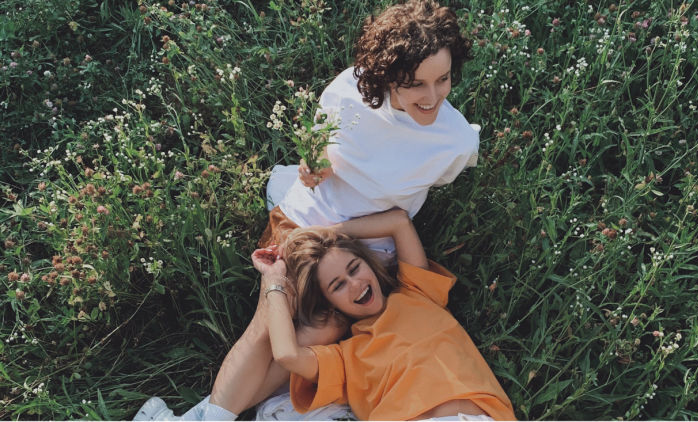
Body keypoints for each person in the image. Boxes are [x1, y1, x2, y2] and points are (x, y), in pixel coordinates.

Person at [134, 0, 478, 419]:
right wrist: (311, 165)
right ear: (387, 75)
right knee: (270, 320)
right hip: (307, 221)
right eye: (415, 84)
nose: (432, 97)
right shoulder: (350, 90)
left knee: (319, 334)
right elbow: (317, 140)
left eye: (442, 80)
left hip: (367, 245)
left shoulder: (456, 143)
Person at [254, 208, 515, 420]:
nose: (355, 284)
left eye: (354, 268)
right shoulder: (345, 359)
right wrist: (274, 280)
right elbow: (288, 355)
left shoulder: (418, 292)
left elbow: (398, 222)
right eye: (338, 285)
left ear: (369, 263)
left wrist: (323, 234)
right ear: (329, 304)